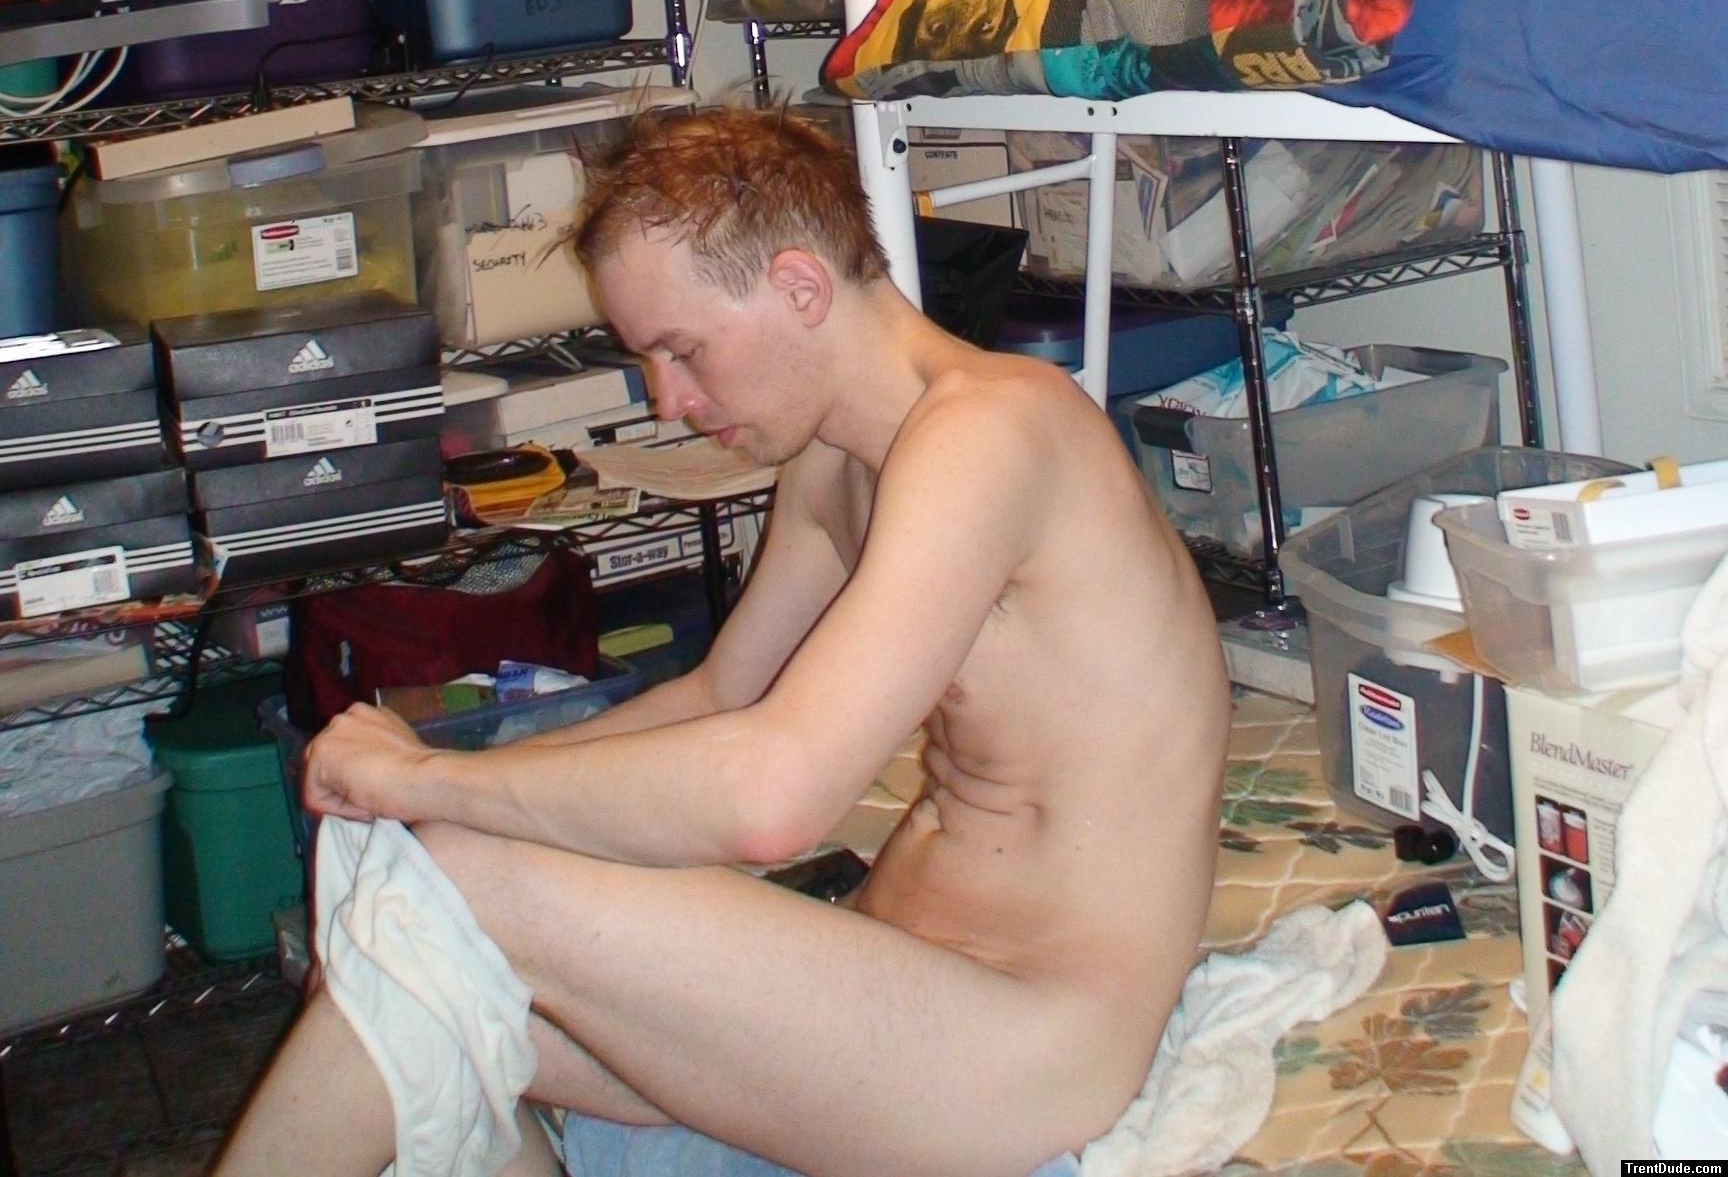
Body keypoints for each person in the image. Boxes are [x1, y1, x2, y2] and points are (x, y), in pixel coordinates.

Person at [215, 106, 1232, 1177]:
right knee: (410, 962)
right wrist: (435, 788)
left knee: (461, 888)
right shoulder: (836, 462)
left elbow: (773, 798)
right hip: (899, 991)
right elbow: (723, 698)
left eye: (682, 350)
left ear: (800, 288)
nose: (669, 401)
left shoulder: (995, 431)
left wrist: (432, 784)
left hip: (1028, 1051)